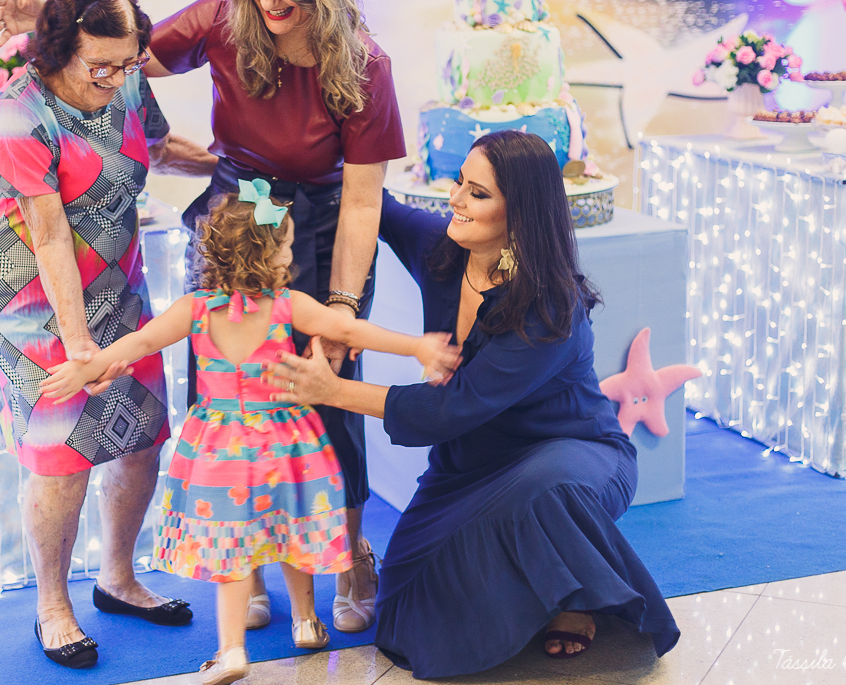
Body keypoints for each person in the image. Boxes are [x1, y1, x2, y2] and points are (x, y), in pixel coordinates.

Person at [0, 0, 404, 632]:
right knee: (235, 398)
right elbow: (118, 52)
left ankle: (346, 551)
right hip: (239, 218)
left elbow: (365, 201)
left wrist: (340, 307)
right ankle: (259, 556)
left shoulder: (365, 65)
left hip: (325, 222)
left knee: (325, 388)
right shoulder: (223, 17)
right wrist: (50, 16)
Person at [266, 131, 682, 678]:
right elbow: (371, 197)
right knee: (405, 612)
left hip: (573, 457)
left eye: (477, 193)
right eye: (459, 183)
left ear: (520, 213)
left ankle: (577, 598)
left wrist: (332, 390)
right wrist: (294, 144)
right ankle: (538, 594)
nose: (456, 200)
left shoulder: (551, 303)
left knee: (544, 489)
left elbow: (452, 408)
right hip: (470, 467)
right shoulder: (443, 249)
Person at [40, 186, 459, 684]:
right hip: (286, 446)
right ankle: (306, 621)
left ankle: (232, 650)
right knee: (291, 530)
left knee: (232, 550)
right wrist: (415, 346)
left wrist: (83, 367)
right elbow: (349, 332)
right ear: (267, 254)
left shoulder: (195, 308)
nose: (290, 253)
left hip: (220, 453)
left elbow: (139, 342)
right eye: (285, 245)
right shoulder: (288, 306)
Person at [0, 0, 200, 670]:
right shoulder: (19, 115)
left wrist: (235, 169)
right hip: (37, 306)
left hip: (119, 288)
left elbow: (160, 149)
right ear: (55, 50)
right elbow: (47, 239)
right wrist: (79, 349)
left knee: (140, 439)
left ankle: (119, 577)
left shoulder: (128, 77)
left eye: (126, 63)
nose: (115, 78)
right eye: (99, 66)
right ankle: (52, 604)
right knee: (64, 454)